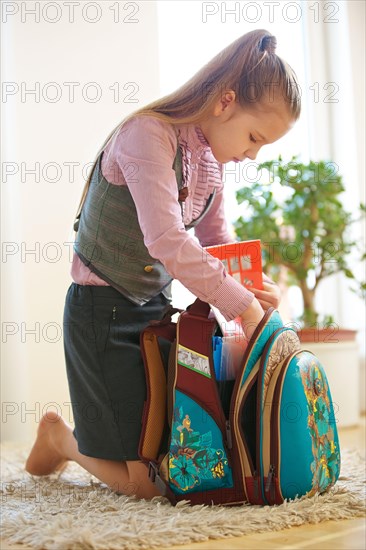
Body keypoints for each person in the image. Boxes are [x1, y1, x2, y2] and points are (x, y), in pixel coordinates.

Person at [25, 29, 301, 499]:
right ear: (224, 102)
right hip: (102, 313)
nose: (253, 154)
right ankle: (60, 439)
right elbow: (168, 241)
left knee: (173, 459)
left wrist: (254, 290)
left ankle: (81, 441)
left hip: (155, 310)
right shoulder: (146, 135)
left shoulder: (211, 160)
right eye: (254, 137)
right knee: (145, 487)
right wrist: (240, 307)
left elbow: (218, 242)